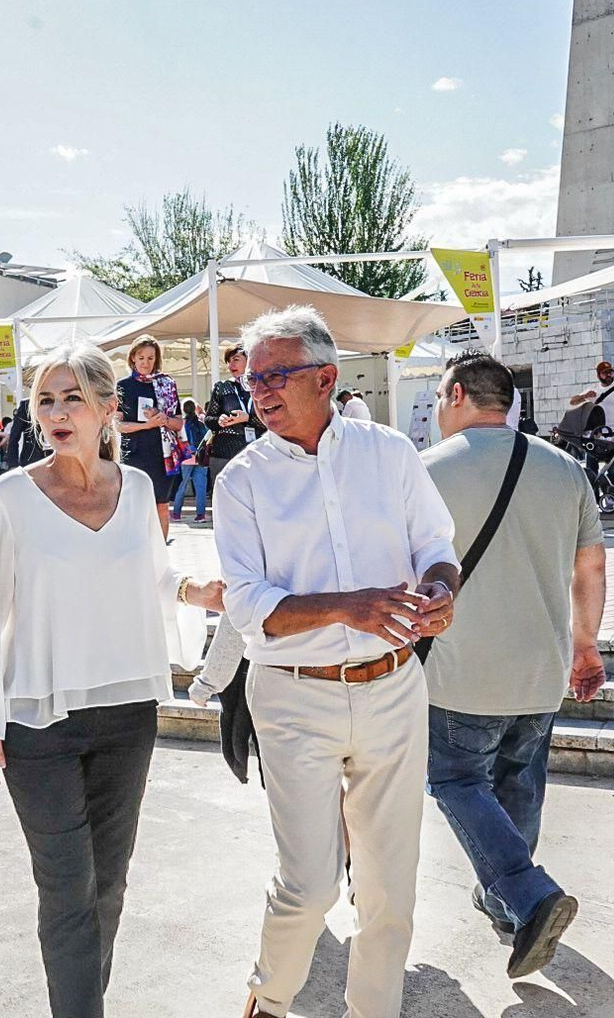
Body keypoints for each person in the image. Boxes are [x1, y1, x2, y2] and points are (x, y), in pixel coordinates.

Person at [0, 342, 223, 1018]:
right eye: (45, 400)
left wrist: (194, 590)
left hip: (127, 714)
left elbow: (155, 574)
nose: (56, 413)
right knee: (67, 890)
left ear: (108, 409)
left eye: (72, 398)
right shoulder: (11, 496)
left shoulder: (135, 488)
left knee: (108, 886)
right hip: (36, 721)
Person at [213, 306, 459, 1018]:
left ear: (326, 378)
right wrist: (346, 607)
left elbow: (436, 544)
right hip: (293, 695)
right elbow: (248, 605)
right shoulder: (241, 480)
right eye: (253, 379)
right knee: (310, 885)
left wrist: (442, 589)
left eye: (276, 376)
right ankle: (270, 999)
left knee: (390, 888)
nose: (260, 391)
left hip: (394, 687)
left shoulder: (390, 453)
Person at [422, 350, 608, 978]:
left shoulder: (426, 471)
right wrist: (586, 645)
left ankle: (528, 897)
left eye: (438, 397)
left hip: (462, 668)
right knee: (519, 785)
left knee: (455, 781)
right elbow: (590, 567)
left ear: (456, 395)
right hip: (542, 667)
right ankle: (510, 909)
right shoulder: (565, 468)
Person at [116, 334, 184, 539]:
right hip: (134, 453)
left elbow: (179, 423)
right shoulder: (123, 386)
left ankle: (161, 550)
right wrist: (147, 425)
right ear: (133, 358)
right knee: (135, 506)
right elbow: (118, 426)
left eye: (150, 358)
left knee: (161, 504)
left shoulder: (167, 384)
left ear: (156, 359)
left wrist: (163, 419)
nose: (145, 362)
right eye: (141, 358)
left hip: (162, 455)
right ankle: (137, 549)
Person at [204, 344, 262, 492]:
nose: (231, 365)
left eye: (236, 360)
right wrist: (219, 421)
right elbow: (209, 420)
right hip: (224, 452)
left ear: (249, 360)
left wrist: (248, 418)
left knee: (255, 496)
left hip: (255, 452)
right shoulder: (222, 387)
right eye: (229, 361)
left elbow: (270, 421)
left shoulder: (261, 386)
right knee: (222, 496)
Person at [568, 361, 614, 485]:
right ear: (598, 375)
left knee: (612, 469)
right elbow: (573, 401)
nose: (609, 375)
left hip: (613, 435)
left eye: (611, 372)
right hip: (594, 436)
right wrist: (585, 396)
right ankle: (594, 493)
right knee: (591, 467)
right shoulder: (594, 389)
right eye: (605, 373)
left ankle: (612, 493)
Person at [169, 398, 209, 523]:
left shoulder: (181, 424)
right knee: (201, 487)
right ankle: (201, 515)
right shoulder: (201, 422)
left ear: (183, 410)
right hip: (200, 458)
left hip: (186, 459)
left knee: (182, 486)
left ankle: (176, 513)